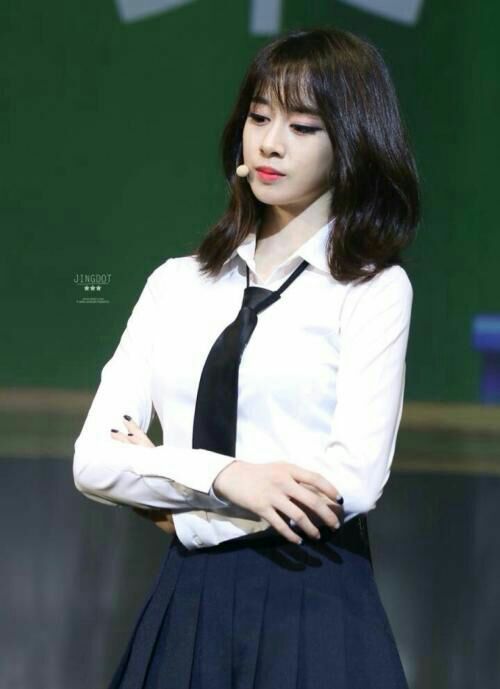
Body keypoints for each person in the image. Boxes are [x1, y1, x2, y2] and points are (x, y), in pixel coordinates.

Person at [73, 25, 420, 689]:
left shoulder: (373, 288)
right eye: (260, 117)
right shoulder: (176, 284)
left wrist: (169, 488)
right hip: (189, 599)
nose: (270, 142)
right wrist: (226, 477)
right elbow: (94, 458)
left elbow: (349, 482)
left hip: (313, 601)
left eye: (303, 125)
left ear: (352, 143)